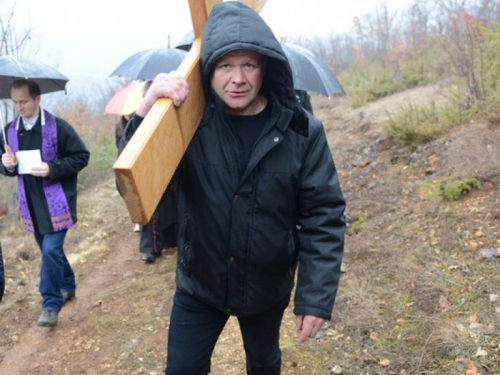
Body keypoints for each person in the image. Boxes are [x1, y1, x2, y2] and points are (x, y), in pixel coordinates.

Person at [130, 2, 345, 374]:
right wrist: (144, 114)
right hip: (200, 285)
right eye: (226, 66)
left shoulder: (301, 130)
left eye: (249, 65)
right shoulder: (187, 126)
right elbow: (137, 184)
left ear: (266, 68)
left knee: (264, 364)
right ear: (209, 71)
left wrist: (315, 297)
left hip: (267, 285)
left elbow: (323, 214)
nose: (238, 78)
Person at [0, 79, 90, 327]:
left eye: (24, 101)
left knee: (50, 250)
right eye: (15, 102)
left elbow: (82, 156)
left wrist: (52, 168)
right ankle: (68, 285)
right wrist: (6, 166)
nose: (19, 107)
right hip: (31, 204)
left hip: (57, 201)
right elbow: (7, 166)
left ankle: (50, 304)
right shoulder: (8, 131)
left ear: (37, 99)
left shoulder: (59, 127)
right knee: (50, 251)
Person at [118, 81, 178, 263]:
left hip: (167, 166)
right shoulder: (136, 119)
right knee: (150, 209)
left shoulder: (170, 113)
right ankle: (150, 248)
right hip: (146, 169)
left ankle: (167, 240)